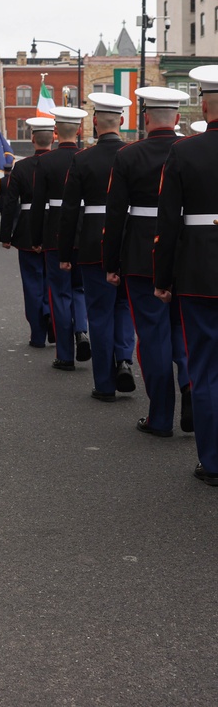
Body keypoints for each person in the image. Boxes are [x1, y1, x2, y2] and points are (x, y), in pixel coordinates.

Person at [105, 86, 193, 437]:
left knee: (153, 337)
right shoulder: (190, 151)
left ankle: (160, 417)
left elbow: (114, 217)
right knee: (185, 331)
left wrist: (111, 262)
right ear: (177, 118)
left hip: (143, 257)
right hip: (188, 254)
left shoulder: (128, 156)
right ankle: (189, 387)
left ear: (145, 118)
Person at [154, 65, 218, 482]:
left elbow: (168, 223)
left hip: (199, 270)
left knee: (207, 368)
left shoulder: (185, 151)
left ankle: (212, 463)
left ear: (203, 103)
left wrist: (162, 279)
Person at [57, 93, 135, 403]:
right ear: (123, 122)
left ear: (93, 122)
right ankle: (125, 359)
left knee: (99, 313)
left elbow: (70, 210)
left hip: (92, 244)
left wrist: (65, 254)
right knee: (125, 307)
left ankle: (104, 384)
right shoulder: (134, 154)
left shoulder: (82, 158)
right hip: (130, 241)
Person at [31, 106, 91, 371]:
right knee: (79, 289)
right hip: (84, 232)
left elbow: (38, 205)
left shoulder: (45, 162)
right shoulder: (87, 158)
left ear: (56, 132)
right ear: (79, 130)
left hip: (55, 232)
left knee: (59, 294)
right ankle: (82, 329)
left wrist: (36, 237)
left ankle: (65, 355)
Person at [1, 117, 54, 348]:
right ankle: (53, 315)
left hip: (27, 229)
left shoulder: (21, 167)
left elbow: (9, 203)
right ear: (53, 138)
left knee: (32, 283)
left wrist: (6, 236)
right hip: (56, 227)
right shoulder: (63, 162)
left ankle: (37, 334)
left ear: (32, 139)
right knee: (54, 281)